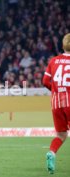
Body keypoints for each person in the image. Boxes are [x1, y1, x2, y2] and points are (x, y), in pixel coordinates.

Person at [42, 33, 70, 174]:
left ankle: (52, 153)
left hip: (56, 102)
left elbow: (45, 81)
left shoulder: (54, 61)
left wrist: (56, 91)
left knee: (61, 135)